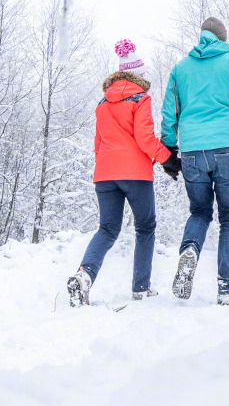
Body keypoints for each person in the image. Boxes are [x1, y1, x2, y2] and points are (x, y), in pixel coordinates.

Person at [160, 17, 229, 305]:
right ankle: (227, 289)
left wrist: (169, 152)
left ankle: (190, 251)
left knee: (199, 212)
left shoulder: (180, 69)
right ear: (222, 38)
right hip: (227, 149)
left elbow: (169, 113)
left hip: (193, 152)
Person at [68, 39, 172, 307]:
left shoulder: (103, 103)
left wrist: (107, 166)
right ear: (139, 76)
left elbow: (97, 144)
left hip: (104, 174)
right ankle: (141, 287)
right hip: (135, 173)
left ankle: (84, 275)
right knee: (145, 227)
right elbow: (145, 138)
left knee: (107, 228)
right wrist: (167, 159)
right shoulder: (141, 98)